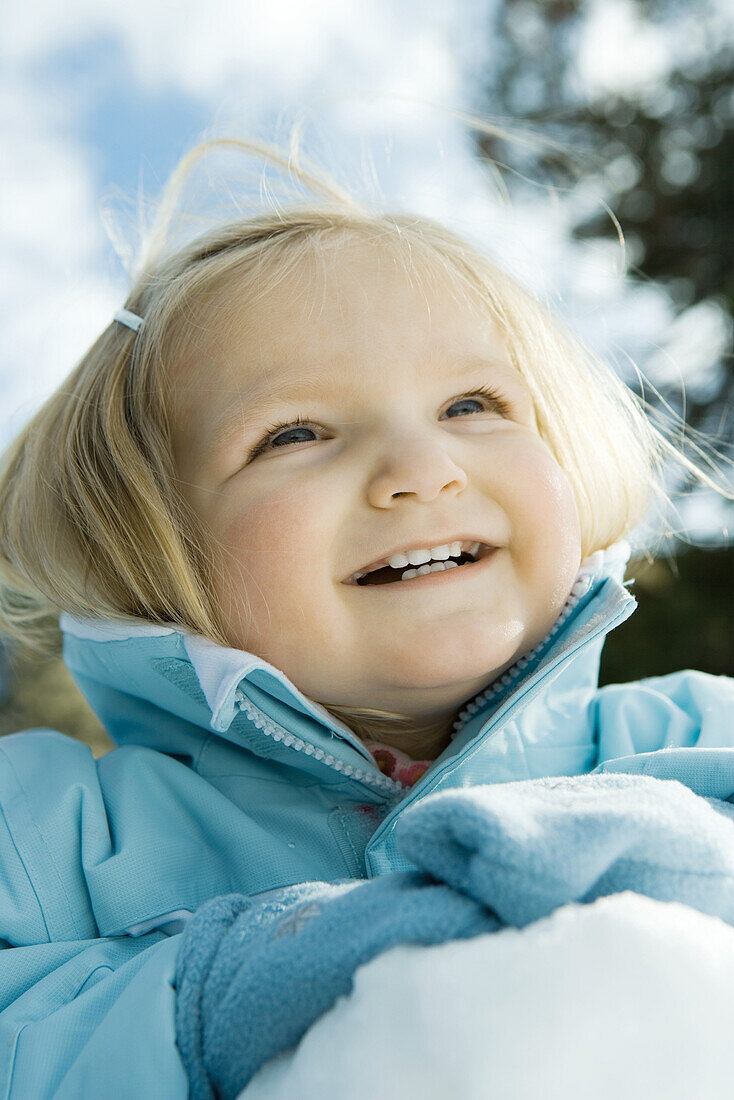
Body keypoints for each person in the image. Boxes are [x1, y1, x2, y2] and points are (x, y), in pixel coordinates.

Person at [0, 135, 731, 1098]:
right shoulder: (53, 833)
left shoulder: (697, 736)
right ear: (151, 545)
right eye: (294, 433)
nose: (423, 468)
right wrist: (219, 984)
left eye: (472, 403)